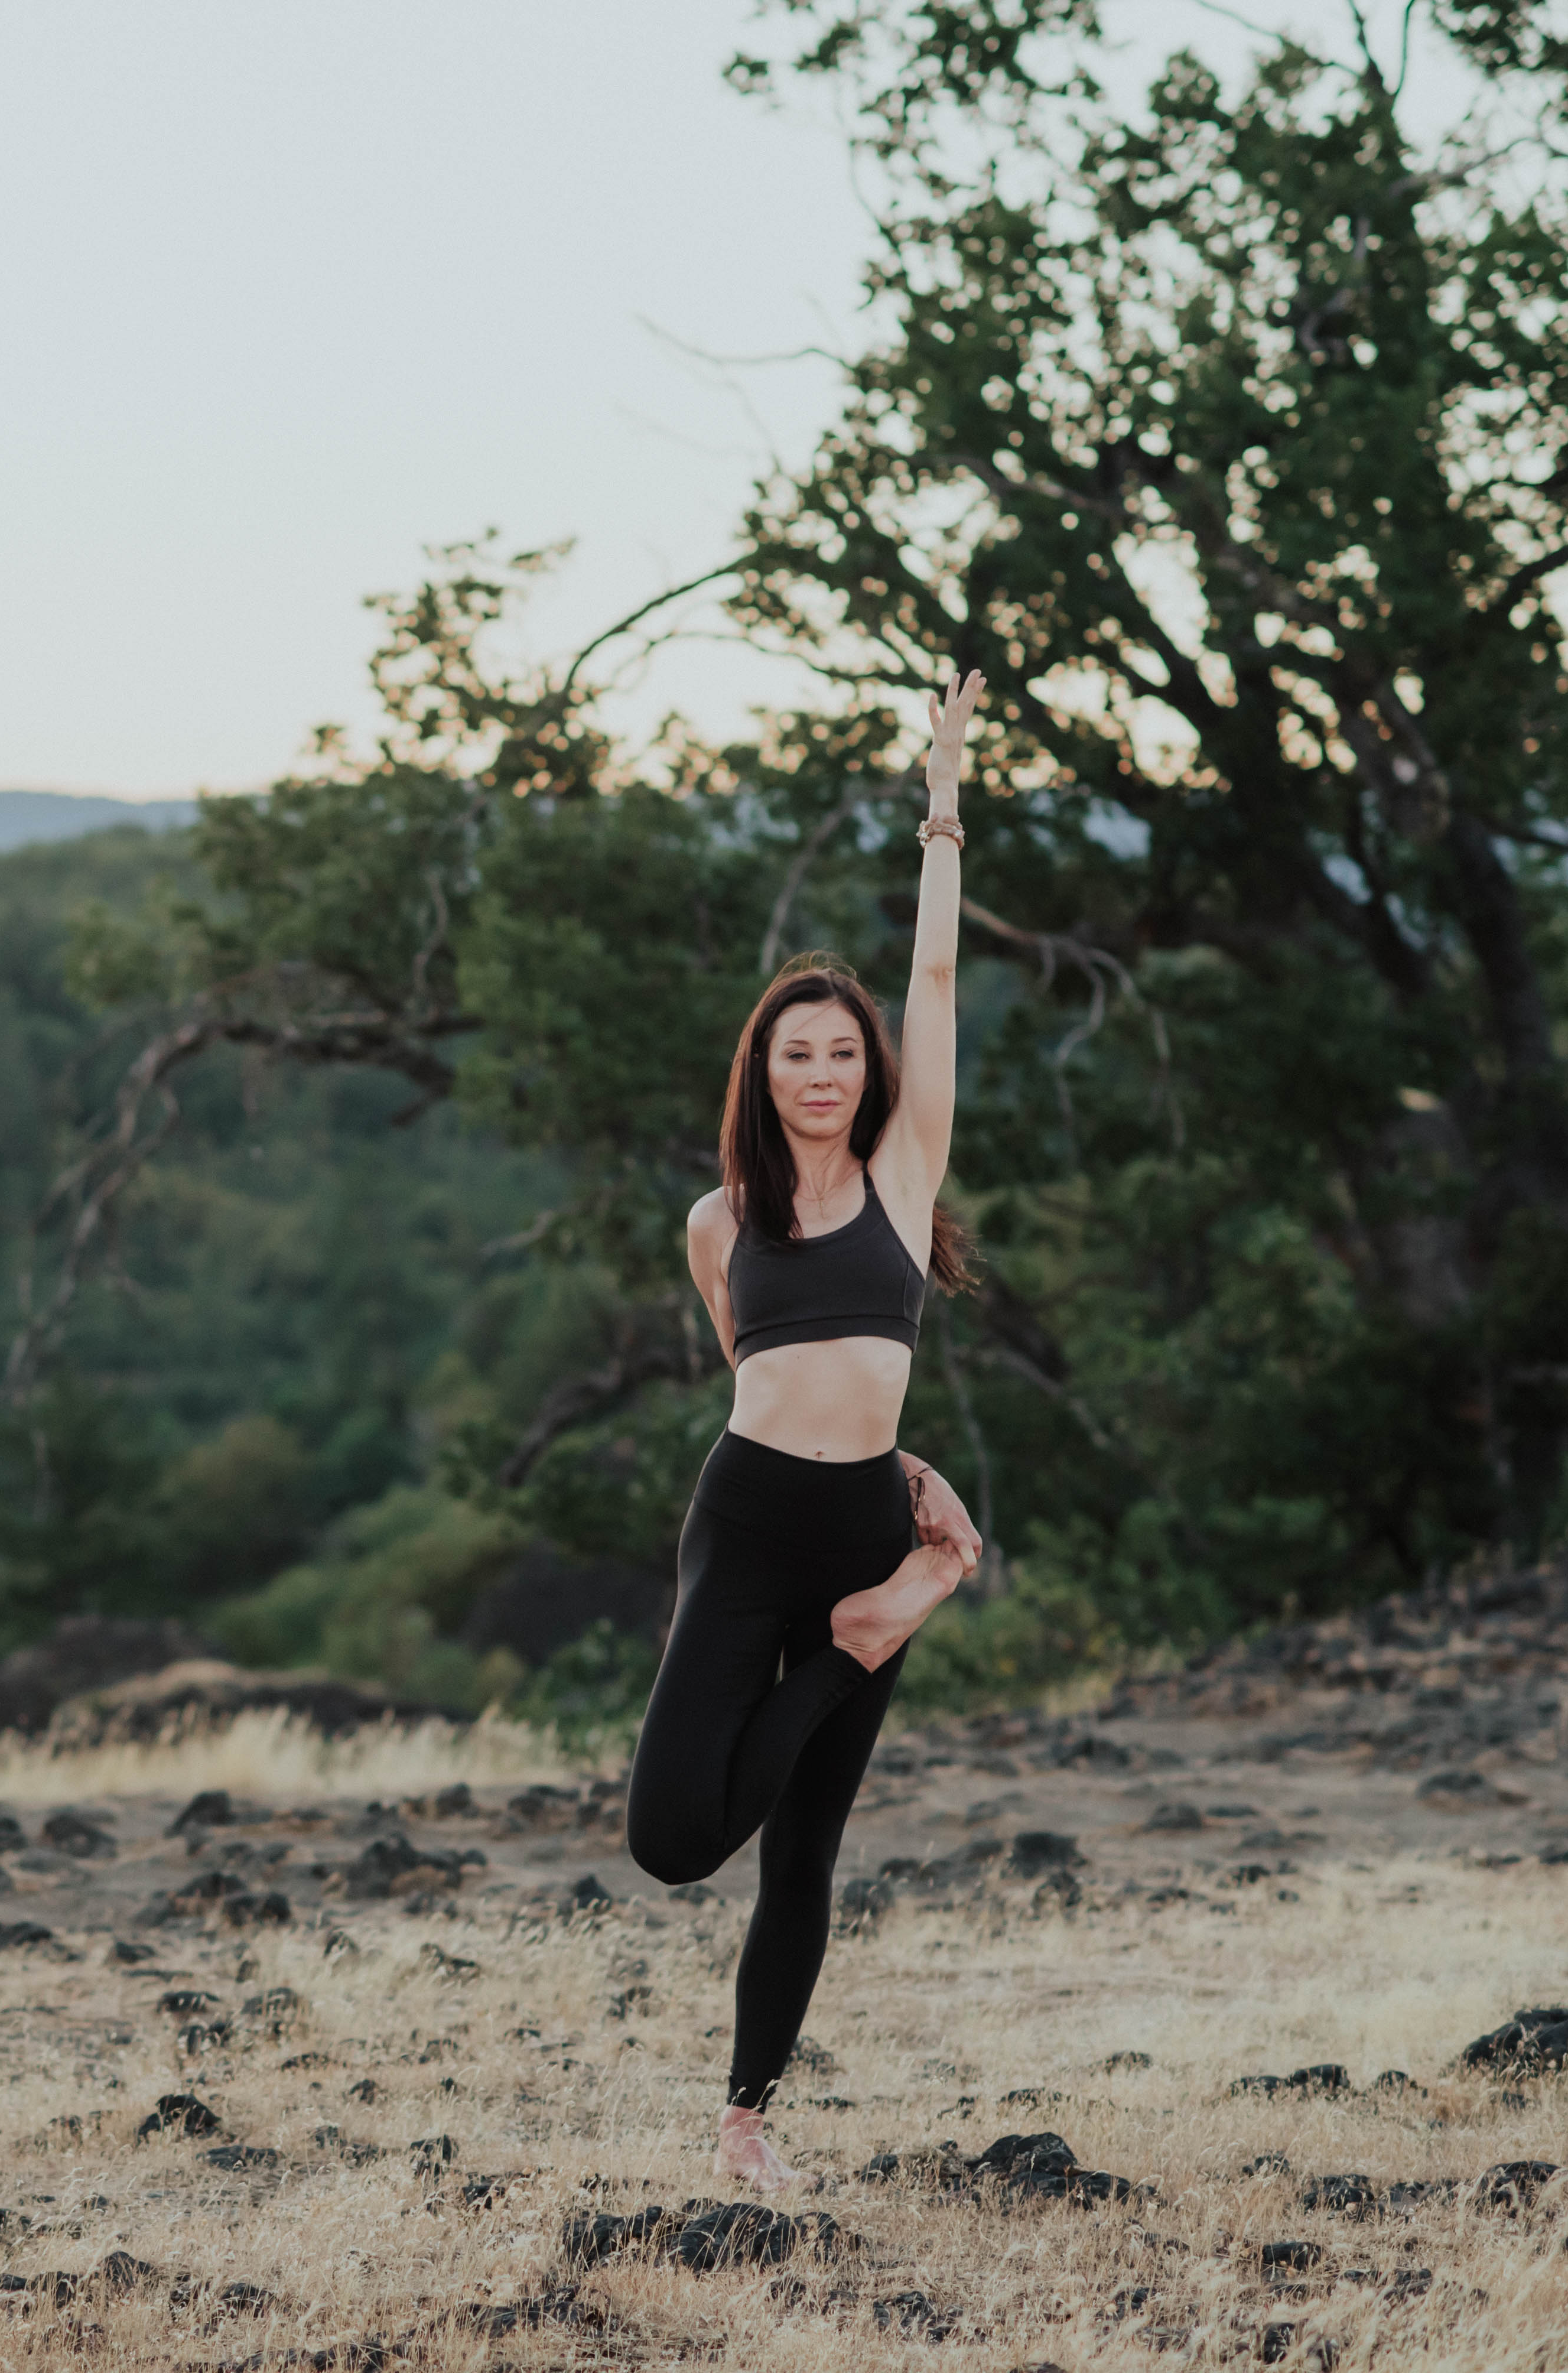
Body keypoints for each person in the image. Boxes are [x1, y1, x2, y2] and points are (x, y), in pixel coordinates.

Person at [624, 668, 989, 2196]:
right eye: (799, 1055)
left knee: (804, 1851)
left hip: (859, 1523)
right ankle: (883, 1627)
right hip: (751, 1524)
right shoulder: (719, 1221)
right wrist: (870, 1615)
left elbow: (939, 986)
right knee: (669, 1838)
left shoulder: (906, 1178)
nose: (826, 1072)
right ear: (763, 1077)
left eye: (842, 1054)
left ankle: (748, 2124)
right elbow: (747, 1375)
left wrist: (943, 814)